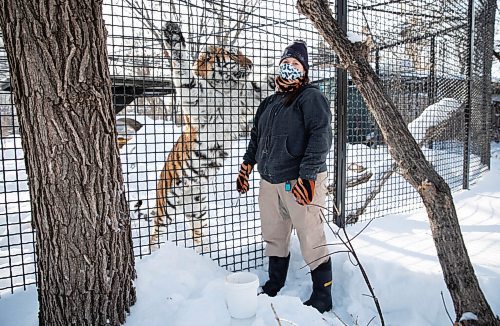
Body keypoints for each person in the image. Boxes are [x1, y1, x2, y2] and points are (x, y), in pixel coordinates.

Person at [236, 40, 333, 313]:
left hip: (300, 181)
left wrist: (308, 176)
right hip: (270, 181)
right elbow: (257, 137)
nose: (289, 68)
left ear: (304, 71)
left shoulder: (311, 97)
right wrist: (247, 165)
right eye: (286, 63)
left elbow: (321, 136)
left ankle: (323, 297)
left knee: (310, 235)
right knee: (274, 234)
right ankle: (274, 283)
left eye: (295, 64)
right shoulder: (269, 102)